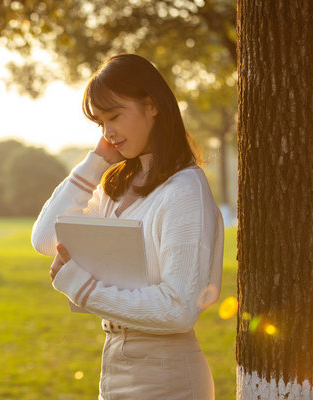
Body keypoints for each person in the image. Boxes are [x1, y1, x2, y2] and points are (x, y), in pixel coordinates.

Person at [31, 54, 224, 400]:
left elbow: (179, 309)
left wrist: (85, 290)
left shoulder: (184, 190)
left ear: (151, 105)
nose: (108, 132)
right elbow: (45, 238)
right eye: (100, 123)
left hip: (169, 377)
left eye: (115, 116)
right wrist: (97, 161)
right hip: (116, 363)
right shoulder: (116, 186)